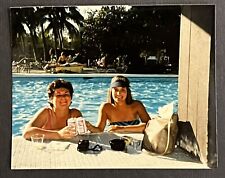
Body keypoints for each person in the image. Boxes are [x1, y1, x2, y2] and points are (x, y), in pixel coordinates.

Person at [86, 75, 151, 133]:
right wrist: (89, 126)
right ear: (111, 91)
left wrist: (121, 128)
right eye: (116, 90)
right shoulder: (106, 107)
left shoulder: (137, 105)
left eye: (122, 90)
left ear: (127, 91)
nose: (119, 93)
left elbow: (150, 126)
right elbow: (99, 130)